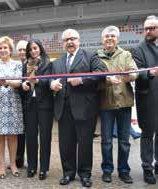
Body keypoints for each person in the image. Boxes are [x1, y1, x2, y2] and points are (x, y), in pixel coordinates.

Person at [50, 29, 107, 187]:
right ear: (63, 43)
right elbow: (51, 79)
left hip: (85, 109)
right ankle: (68, 173)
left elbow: (102, 73)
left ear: (79, 41)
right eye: (66, 39)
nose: (69, 42)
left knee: (84, 143)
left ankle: (85, 174)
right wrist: (52, 84)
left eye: (73, 39)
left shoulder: (90, 56)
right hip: (63, 109)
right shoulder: (57, 62)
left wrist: (81, 79)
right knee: (66, 144)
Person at [98, 25, 138, 184]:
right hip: (105, 104)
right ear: (102, 40)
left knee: (124, 141)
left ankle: (124, 170)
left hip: (124, 103)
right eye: (106, 36)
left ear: (117, 39)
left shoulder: (126, 54)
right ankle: (107, 170)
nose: (109, 38)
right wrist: (106, 81)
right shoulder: (97, 56)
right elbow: (94, 81)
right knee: (106, 141)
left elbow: (135, 72)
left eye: (112, 36)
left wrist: (130, 76)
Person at [0, 36, 24, 179]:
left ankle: (13, 164)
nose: (2, 50)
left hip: (12, 102)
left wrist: (6, 81)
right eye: (0, 48)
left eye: (5, 47)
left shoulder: (18, 64)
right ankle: (1, 164)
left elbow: (19, 83)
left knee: (13, 136)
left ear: (10, 50)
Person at [131, 15, 158, 184]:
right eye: (146, 28)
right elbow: (135, 72)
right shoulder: (138, 49)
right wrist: (148, 73)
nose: (148, 31)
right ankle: (147, 168)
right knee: (147, 135)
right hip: (148, 98)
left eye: (152, 28)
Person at [21, 39, 53, 180]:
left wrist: (38, 81)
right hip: (30, 104)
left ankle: (44, 168)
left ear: (40, 48)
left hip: (45, 105)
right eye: (30, 49)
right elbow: (23, 81)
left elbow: (50, 80)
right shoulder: (25, 65)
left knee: (45, 137)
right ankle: (32, 166)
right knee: (31, 137)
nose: (33, 51)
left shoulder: (48, 63)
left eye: (35, 48)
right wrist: (24, 85)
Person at [15, 40, 28, 168]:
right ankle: (18, 160)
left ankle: (32, 162)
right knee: (19, 133)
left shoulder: (32, 64)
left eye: (24, 50)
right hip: (17, 103)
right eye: (20, 50)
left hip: (30, 103)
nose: (22, 52)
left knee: (30, 133)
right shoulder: (16, 66)